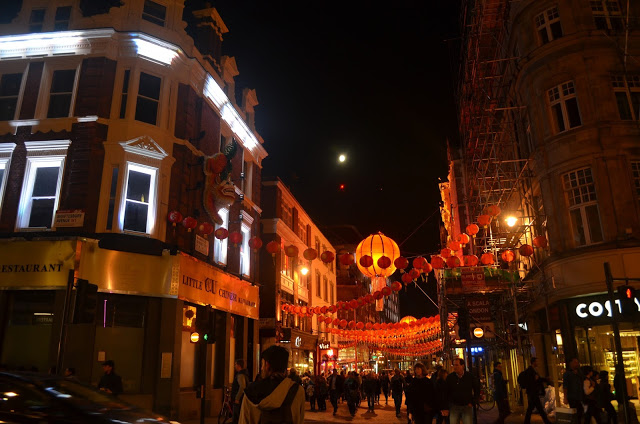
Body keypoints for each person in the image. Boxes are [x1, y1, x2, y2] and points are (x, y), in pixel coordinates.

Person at [238, 345, 304, 424]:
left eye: (262, 364)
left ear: (267, 365)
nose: (261, 368)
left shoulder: (250, 393)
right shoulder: (297, 391)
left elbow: (244, 421)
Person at [444, 358, 479, 424]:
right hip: (454, 406)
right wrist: (447, 405)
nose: (455, 367)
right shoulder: (450, 377)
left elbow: (476, 388)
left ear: (462, 366)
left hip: (467, 405)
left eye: (457, 365)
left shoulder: (469, 376)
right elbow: (446, 392)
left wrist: (473, 401)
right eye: (454, 365)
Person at [522, 357, 552, 424]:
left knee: (532, 409)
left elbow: (538, 379)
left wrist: (544, 379)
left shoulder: (533, 370)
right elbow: (533, 381)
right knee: (538, 408)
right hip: (533, 392)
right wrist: (543, 379)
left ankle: (527, 422)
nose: (538, 363)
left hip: (532, 392)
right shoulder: (530, 371)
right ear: (533, 362)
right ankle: (546, 421)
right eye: (537, 361)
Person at [563, 358, 584, 424]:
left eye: (577, 362)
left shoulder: (579, 373)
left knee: (579, 411)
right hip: (572, 396)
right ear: (571, 364)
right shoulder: (567, 374)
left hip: (579, 395)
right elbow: (565, 386)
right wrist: (565, 397)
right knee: (576, 411)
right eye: (575, 362)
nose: (577, 364)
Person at [231, 359, 250, 424]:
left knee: (237, 417)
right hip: (242, 399)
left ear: (239, 365)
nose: (234, 366)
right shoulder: (244, 374)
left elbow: (242, 386)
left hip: (239, 400)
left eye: (235, 364)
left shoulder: (240, 375)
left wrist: (237, 398)